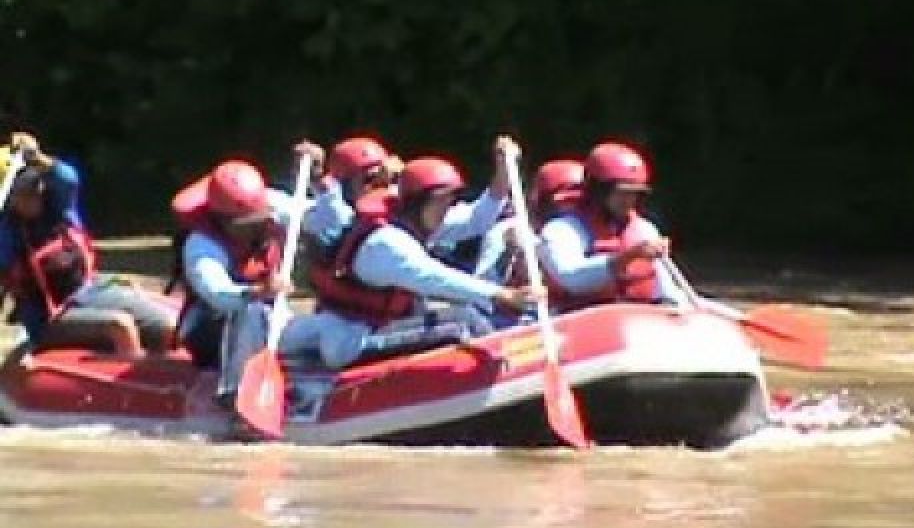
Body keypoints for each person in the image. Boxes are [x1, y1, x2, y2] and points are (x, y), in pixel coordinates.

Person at [283, 137, 542, 370]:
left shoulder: (411, 219)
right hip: (353, 342)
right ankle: (495, 373)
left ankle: (517, 343)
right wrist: (498, 294)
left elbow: (478, 218)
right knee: (461, 325)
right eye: (441, 203)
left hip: (380, 325)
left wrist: (504, 172)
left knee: (468, 315)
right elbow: (431, 276)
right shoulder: (383, 242)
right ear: (419, 203)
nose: (446, 211)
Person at [0, 132, 174, 354]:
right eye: (23, 193)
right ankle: (129, 386)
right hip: (49, 318)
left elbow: (67, 178)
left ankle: (166, 377)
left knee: (165, 326)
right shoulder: (8, 232)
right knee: (120, 326)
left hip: (90, 291)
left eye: (35, 186)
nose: (34, 194)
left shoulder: (61, 209)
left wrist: (37, 157)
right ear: (9, 200)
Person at [171, 158, 298, 407]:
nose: (259, 227)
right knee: (250, 310)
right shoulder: (201, 246)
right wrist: (257, 292)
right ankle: (235, 393)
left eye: (261, 219)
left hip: (266, 318)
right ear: (222, 220)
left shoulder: (272, 206)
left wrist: (322, 182)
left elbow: (318, 216)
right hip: (210, 327)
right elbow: (217, 293)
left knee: (276, 319)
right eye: (247, 225)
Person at [539, 141, 686, 310]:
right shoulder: (561, 230)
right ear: (599, 190)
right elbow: (571, 279)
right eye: (622, 193)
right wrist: (626, 258)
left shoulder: (645, 230)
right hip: (579, 321)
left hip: (637, 321)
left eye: (634, 194)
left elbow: (667, 290)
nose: (629, 201)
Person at [473, 158, 584, 327]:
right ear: (540, 200)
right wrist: (509, 255)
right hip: (521, 321)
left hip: (573, 316)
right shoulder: (507, 232)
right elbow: (483, 289)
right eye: (562, 204)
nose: (568, 210)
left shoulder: (583, 232)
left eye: (576, 204)